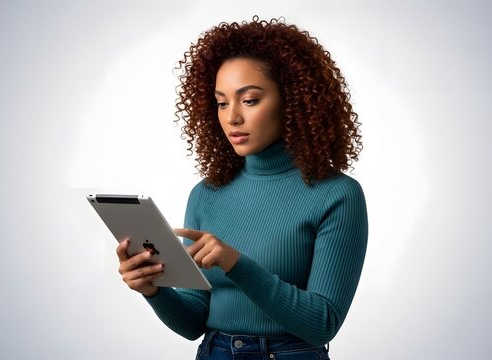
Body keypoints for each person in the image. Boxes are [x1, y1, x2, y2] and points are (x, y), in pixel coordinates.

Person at [116, 16, 368, 360]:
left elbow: (323, 323)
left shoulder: (336, 195)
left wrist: (236, 263)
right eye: (222, 102)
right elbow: (194, 322)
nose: (232, 117)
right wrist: (154, 291)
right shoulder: (206, 194)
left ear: (292, 101)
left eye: (249, 100)